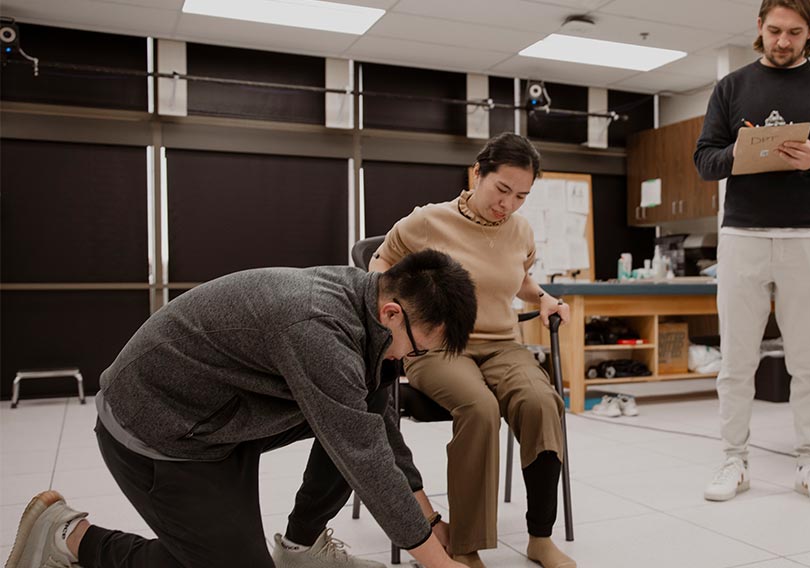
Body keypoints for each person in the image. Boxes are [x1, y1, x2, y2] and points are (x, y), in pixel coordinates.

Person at [5, 250, 476, 568]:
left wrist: (430, 527)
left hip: (217, 419)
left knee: (366, 406)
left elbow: (378, 436)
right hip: (157, 430)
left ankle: (301, 548)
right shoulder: (319, 328)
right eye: (415, 350)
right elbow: (365, 458)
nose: (406, 361)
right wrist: (439, 563)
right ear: (393, 312)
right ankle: (69, 536)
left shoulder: (364, 304)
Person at [368, 133, 574, 568]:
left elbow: (517, 280)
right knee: (479, 408)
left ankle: (540, 536)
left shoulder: (520, 229)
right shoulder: (427, 221)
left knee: (542, 403)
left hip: (501, 345)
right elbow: (379, 265)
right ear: (477, 173)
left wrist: (542, 298)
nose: (509, 204)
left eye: (521, 196)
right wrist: (401, 313)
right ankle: (465, 544)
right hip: (438, 346)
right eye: (502, 190)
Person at [694, 0, 810, 506]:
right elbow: (705, 161)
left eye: (794, 32)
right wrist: (741, 154)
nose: (783, 41)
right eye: (774, 31)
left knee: (808, 362)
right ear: (759, 28)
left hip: (807, 237)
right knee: (737, 361)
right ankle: (735, 460)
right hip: (743, 237)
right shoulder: (731, 87)